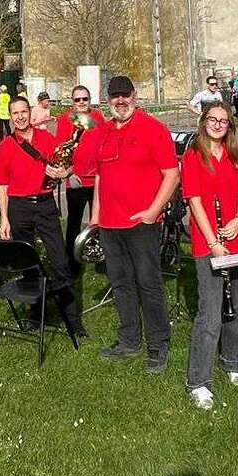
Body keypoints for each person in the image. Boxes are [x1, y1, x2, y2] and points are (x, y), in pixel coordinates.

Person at [75, 75, 178, 372]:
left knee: (149, 285)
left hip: (141, 225)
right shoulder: (103, 131)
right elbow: (99, 175)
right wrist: (96, 215)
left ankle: (158, 346)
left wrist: (152, 211)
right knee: (121, 284)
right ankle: (129, 340)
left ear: (134, 96)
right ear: (108, 101)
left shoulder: (153, 129)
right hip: (110, 224)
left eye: (125, 95)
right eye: (114, 97)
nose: (120, 101)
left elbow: (171, 174)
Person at [0, 95, 86, 343]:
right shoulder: (5, 146)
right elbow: (2, 185)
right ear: (10, 116)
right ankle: (37, 314)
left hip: (45, 206)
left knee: (60, 262)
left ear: (30, 114)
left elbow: (69, 163)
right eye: (15, 113)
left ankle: (73, 320)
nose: (20, 117)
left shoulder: (47, 139)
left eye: (24, 112)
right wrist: (4, 219)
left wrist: (63, 172)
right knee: (28, 264)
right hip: (18, 208)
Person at [181, 105, 238, 409]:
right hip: (208, 244)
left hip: (237, 242)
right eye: (213, 119)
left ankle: (233, 361)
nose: (218, 125)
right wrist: (213, 242)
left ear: (229, 126)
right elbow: (195, 203)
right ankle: (198, 381)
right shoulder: (194, 156)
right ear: (203, 122)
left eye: (223, 121)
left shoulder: (234, 156)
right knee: (209, 314)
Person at [56, 86, 106, 281]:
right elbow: (61, 148)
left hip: (97, 180)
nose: (81, 102)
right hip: (76, 181)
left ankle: (101, 258)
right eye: (77, 100)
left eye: (85, 99)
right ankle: (73, 263)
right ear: (72, 101)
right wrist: (68, 174)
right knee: (74, 224)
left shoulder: (98, 117)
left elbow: (104, 143)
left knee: (100, 222)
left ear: (90, 99)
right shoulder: (66, 119)